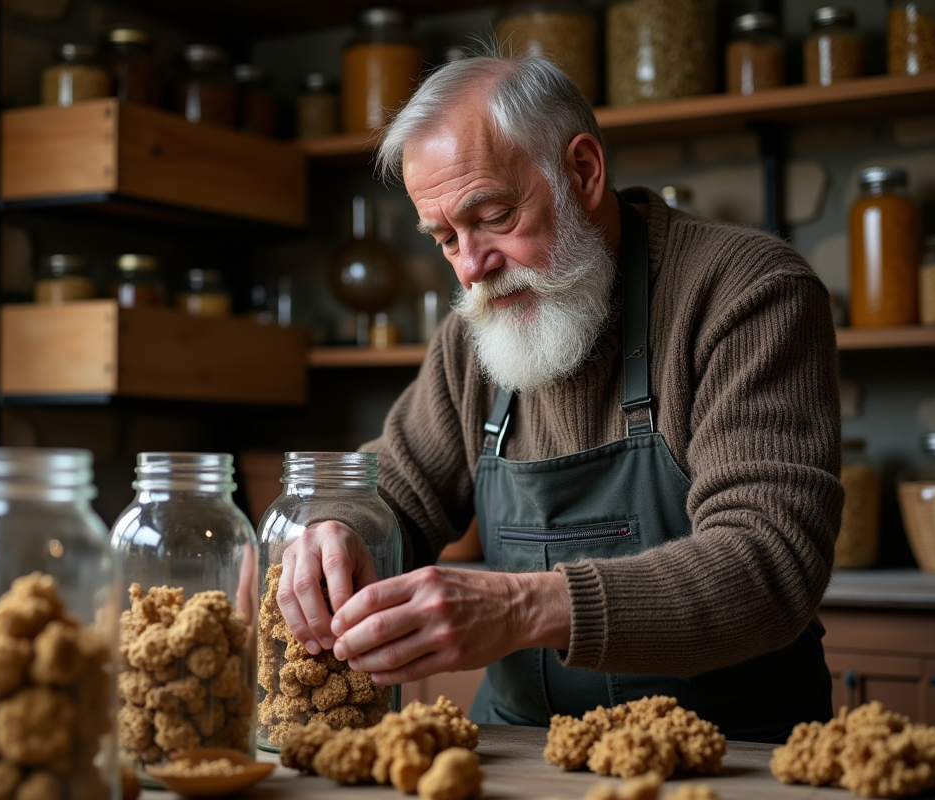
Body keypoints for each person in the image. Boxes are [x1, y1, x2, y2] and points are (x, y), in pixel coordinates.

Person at [276, 53, 842, 743]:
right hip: (525, 748)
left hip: (732, 753)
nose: (470, 267)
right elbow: (393, 486)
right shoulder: (477, 331)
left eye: (494, 215)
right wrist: (336, 528)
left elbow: (770, 562)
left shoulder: (747, 293)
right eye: (445, 238)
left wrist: (521, 607)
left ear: (582, 172)